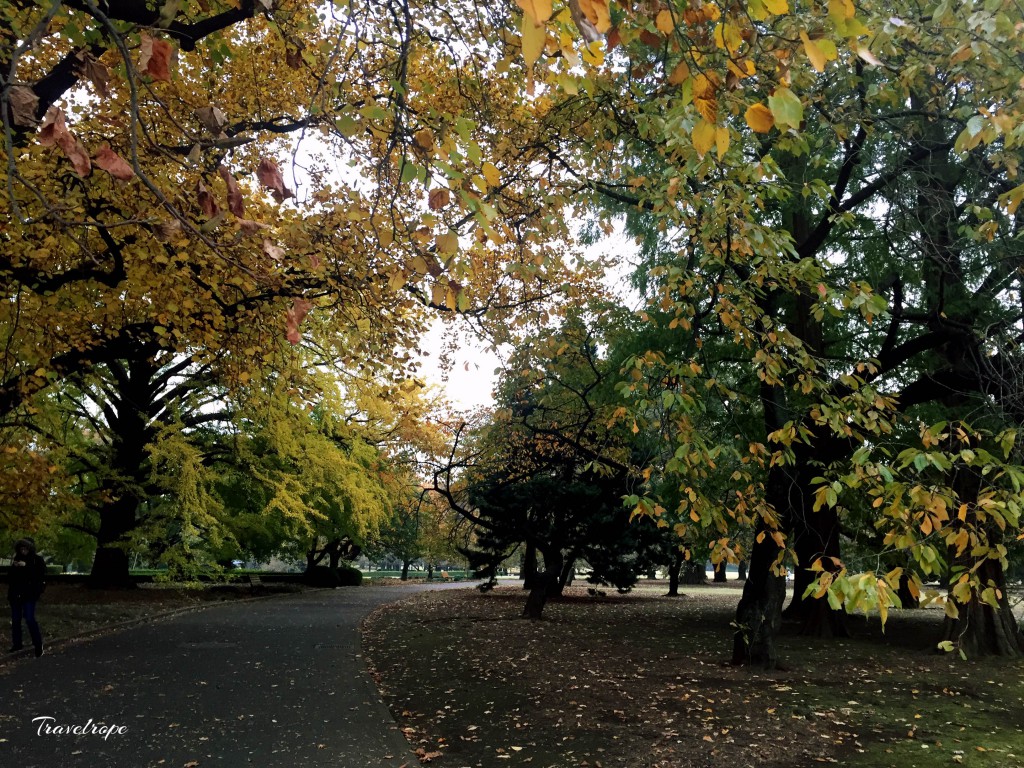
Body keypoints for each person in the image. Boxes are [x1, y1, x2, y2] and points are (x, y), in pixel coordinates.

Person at [8, 538, 45, 656]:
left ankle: (38, 645)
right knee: (15, 620)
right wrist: (14, 567)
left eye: (25, 549)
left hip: (29, 595)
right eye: (21, 549)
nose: (23, 551)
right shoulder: (17, 559)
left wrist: (27, 566)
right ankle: (17, 644)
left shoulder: (37, 560)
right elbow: (10, 578)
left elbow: (39, 576)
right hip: (16, 595)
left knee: (29, 618)